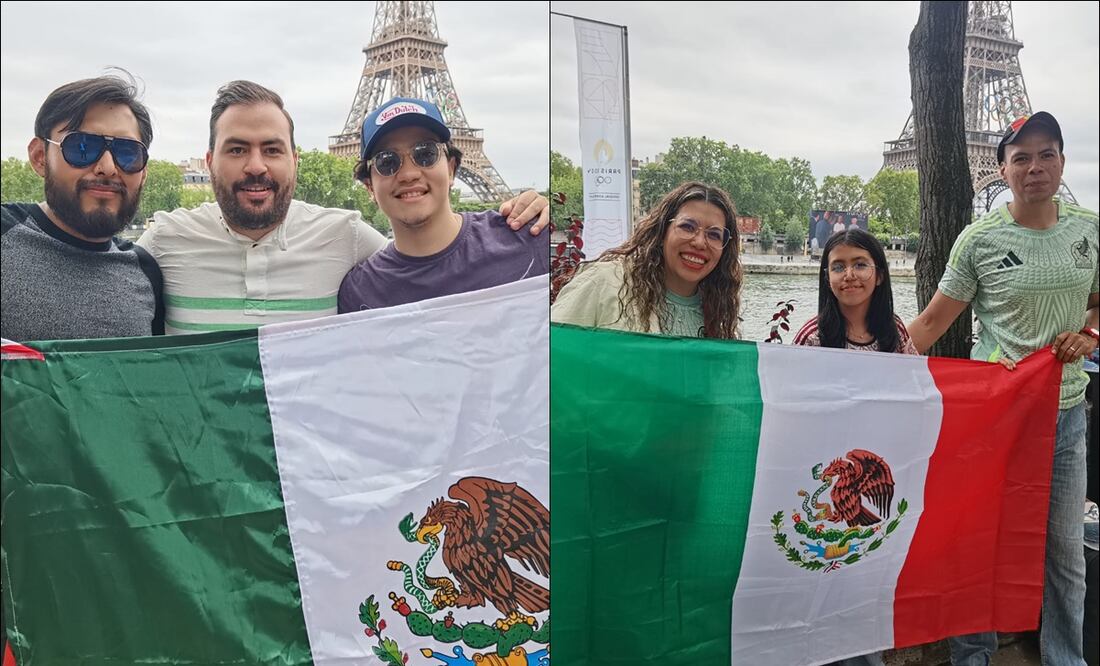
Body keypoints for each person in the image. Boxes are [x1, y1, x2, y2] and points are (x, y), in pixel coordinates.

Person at [907, 112, 1099, 666]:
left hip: (1065, 415)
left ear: (1063, 161)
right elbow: (930, 324)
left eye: (1045, 155)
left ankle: (1067, 657)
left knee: (1064, 551)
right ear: (1001, 169)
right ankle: (974, 657)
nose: (1034, 167)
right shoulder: (979, 241)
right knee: (980, 543)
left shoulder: (1089, 229)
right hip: (995, 418)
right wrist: (858, 370)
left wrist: (1088, 334)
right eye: (1021, 157)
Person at [138, 82, 548, 334]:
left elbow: (417, 259)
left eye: (425, 154)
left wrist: (537, 210)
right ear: (209, 162)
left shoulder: (347, 237)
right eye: (237, 149)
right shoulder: (164, 240)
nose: (256, 165)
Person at [337, 97, 549, 310]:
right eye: (387, 161)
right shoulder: (357, 294)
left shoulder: (528, 238)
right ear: (370, 187)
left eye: (425, 153)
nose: (409, 174)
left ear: (450, 168)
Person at [2, 73, 164, 342]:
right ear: (40, 158)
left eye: (127, 153)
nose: (107, 168)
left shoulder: (146, 271)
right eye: (82, 147)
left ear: (144, 172)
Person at [551, 181, 743, 339]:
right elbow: (548, 353)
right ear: (661, 232)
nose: (700, 242)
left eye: (714, 235)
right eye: (687, 227)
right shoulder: (603, 283)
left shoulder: (722, 322)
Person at [794, 227, 916, 354]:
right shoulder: (811, 339)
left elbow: (913, 372)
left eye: (860, 265)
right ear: (827, 279)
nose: (849, 276)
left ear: (879, 276)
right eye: (838, 267)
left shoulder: (894, 329)